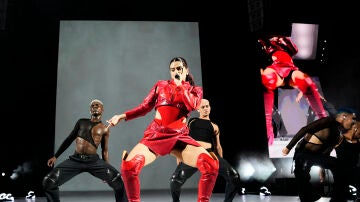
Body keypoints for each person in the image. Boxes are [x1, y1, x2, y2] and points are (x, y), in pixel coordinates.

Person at [106, 57, 219, 202]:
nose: (176, 72)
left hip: (179, 138)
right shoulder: (161, 85)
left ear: (186, 70)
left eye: (179, 68)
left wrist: (181, 86)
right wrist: (121, 116)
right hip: (156, 135)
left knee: (210, 165)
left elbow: (193, 105)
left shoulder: (195, 90)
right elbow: (144, 107)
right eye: (173, 69)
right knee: (129, 166)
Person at [42, 99, 127, 202]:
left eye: (97, 105)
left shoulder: (104, 128)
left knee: (117, 180)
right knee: (49, 181)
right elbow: (69, 139)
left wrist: (106, 168)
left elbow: (104, 150)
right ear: (90, 110)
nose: (95, 106)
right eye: (93, 105)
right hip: (75, 160)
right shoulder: (81, 122)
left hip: (93, 162)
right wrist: (56, 156)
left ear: (102, 109)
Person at [258, 35, 327, 145]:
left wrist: (280, 40)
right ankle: (268, 132)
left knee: (306, 81)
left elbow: (294, 49)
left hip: (290, 69)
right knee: (268, 78)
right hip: (275, 69)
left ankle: (324, 124)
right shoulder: (267, 45)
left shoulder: (285, 43)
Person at [169, 98, 242, 202]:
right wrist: (179, 155)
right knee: (174, 181)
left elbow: (218, 146)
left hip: (209, 155)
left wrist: (221, 162)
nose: (205, 109)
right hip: (193, 154)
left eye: (207, 106)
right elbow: (183, 138)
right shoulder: (192, 121)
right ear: (198, 109)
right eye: (203, 107)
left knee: (234, 176)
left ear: (210, 108)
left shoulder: (214, 126)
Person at [282, 108, 357, 202]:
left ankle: (338, 197)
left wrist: (322, 171)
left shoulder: (338, 135)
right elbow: (305, 129)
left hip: (315, 157)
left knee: (339, 164)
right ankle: (307, 197)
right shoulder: (328, 121)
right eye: (352, 119)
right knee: (303, 166)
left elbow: (326, 154)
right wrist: (288, 147)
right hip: (303, 154)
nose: (354, 123)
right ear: (344, 116)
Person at [335, 120, 360, 201]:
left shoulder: (358, 140)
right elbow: (326, 151)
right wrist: (322, 170)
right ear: (354, 128)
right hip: (341, 171)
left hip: (354, 171)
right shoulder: (340, 138)